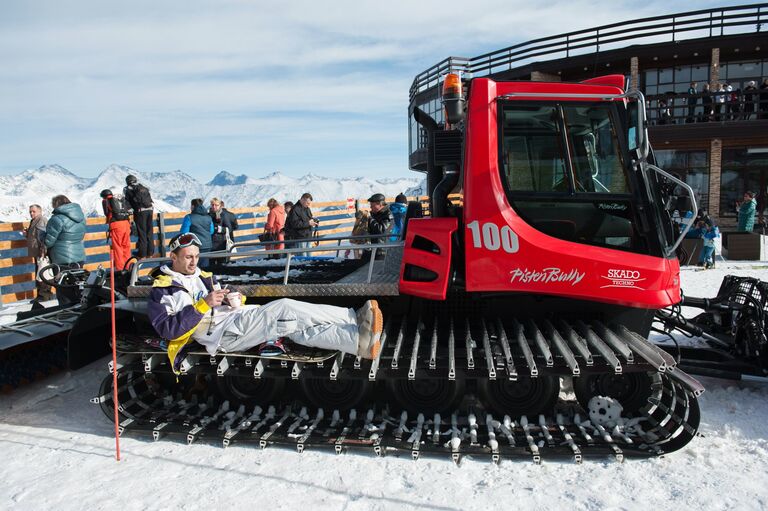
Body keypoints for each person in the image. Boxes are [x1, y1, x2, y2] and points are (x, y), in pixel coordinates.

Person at [147, 233, 384, 373]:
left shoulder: (203, 277)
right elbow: (169, 330)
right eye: (188, 257)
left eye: (197, 256)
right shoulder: (163, 290)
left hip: (237, 319)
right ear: (173, 257)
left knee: (295, 328)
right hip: (224, 335)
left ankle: (357, 341)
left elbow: (229, 291)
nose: (194, 262)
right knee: (285, 307)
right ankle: (351, 317)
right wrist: (203, 305)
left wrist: (235, 298)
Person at [44, 195, 86, 305]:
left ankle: (66, 313)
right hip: (78, 256)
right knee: (77, 285)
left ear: (56, 205)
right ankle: (79, 308)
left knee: (63, 288)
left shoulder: (56, 219)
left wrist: (41, 236)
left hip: (61, 258)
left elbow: (48, 241)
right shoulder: (81, 218)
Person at [24, 204, 53, 301]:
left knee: (43, 273)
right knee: (39, 273)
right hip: (37, 252)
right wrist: (27, 234)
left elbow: (43, 237)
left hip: (41, 252)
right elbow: (35, 236)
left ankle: (44, 295)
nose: (31, 213)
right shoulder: (34, 221)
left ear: (40, 211)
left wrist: (43, 251)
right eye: (30, 212)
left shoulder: (41, 220)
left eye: (33, 211)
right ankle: (42, 295)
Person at [123, 174, 154, 258]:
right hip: (150, 210)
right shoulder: (142, 187)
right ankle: (150, 253)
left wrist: (128, 211)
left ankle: (142, 254)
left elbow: (127, 202)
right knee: (149, 232)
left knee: (142, 233)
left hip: (140, 212)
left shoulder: (128, 189)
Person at [100, 189, 132, 271]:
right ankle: (128, 267)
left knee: (118, 248)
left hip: (117, 225)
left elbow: (106, 213)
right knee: (126, 246)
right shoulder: (120, 199)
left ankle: (120, 269)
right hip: (126, 224)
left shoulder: (106, 200)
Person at [181, 198, 214, 267]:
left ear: (193, 206)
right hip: (207, 245)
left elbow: (184, 232)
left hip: (195, 245)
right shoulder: (208, 217)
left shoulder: (189, 217)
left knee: (194, 265)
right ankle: (205, 277)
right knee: (205, 266)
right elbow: (211, 231)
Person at [208, 197, 237, 266]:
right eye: (212, 205)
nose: (214, 207)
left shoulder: (223, 215)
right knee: (211, 264)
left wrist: (219, 229)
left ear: (220, 205)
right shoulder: (208, 215)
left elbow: (229, 229)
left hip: (221, 244)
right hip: (211, 243)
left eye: (216, 205)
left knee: (221, 264)